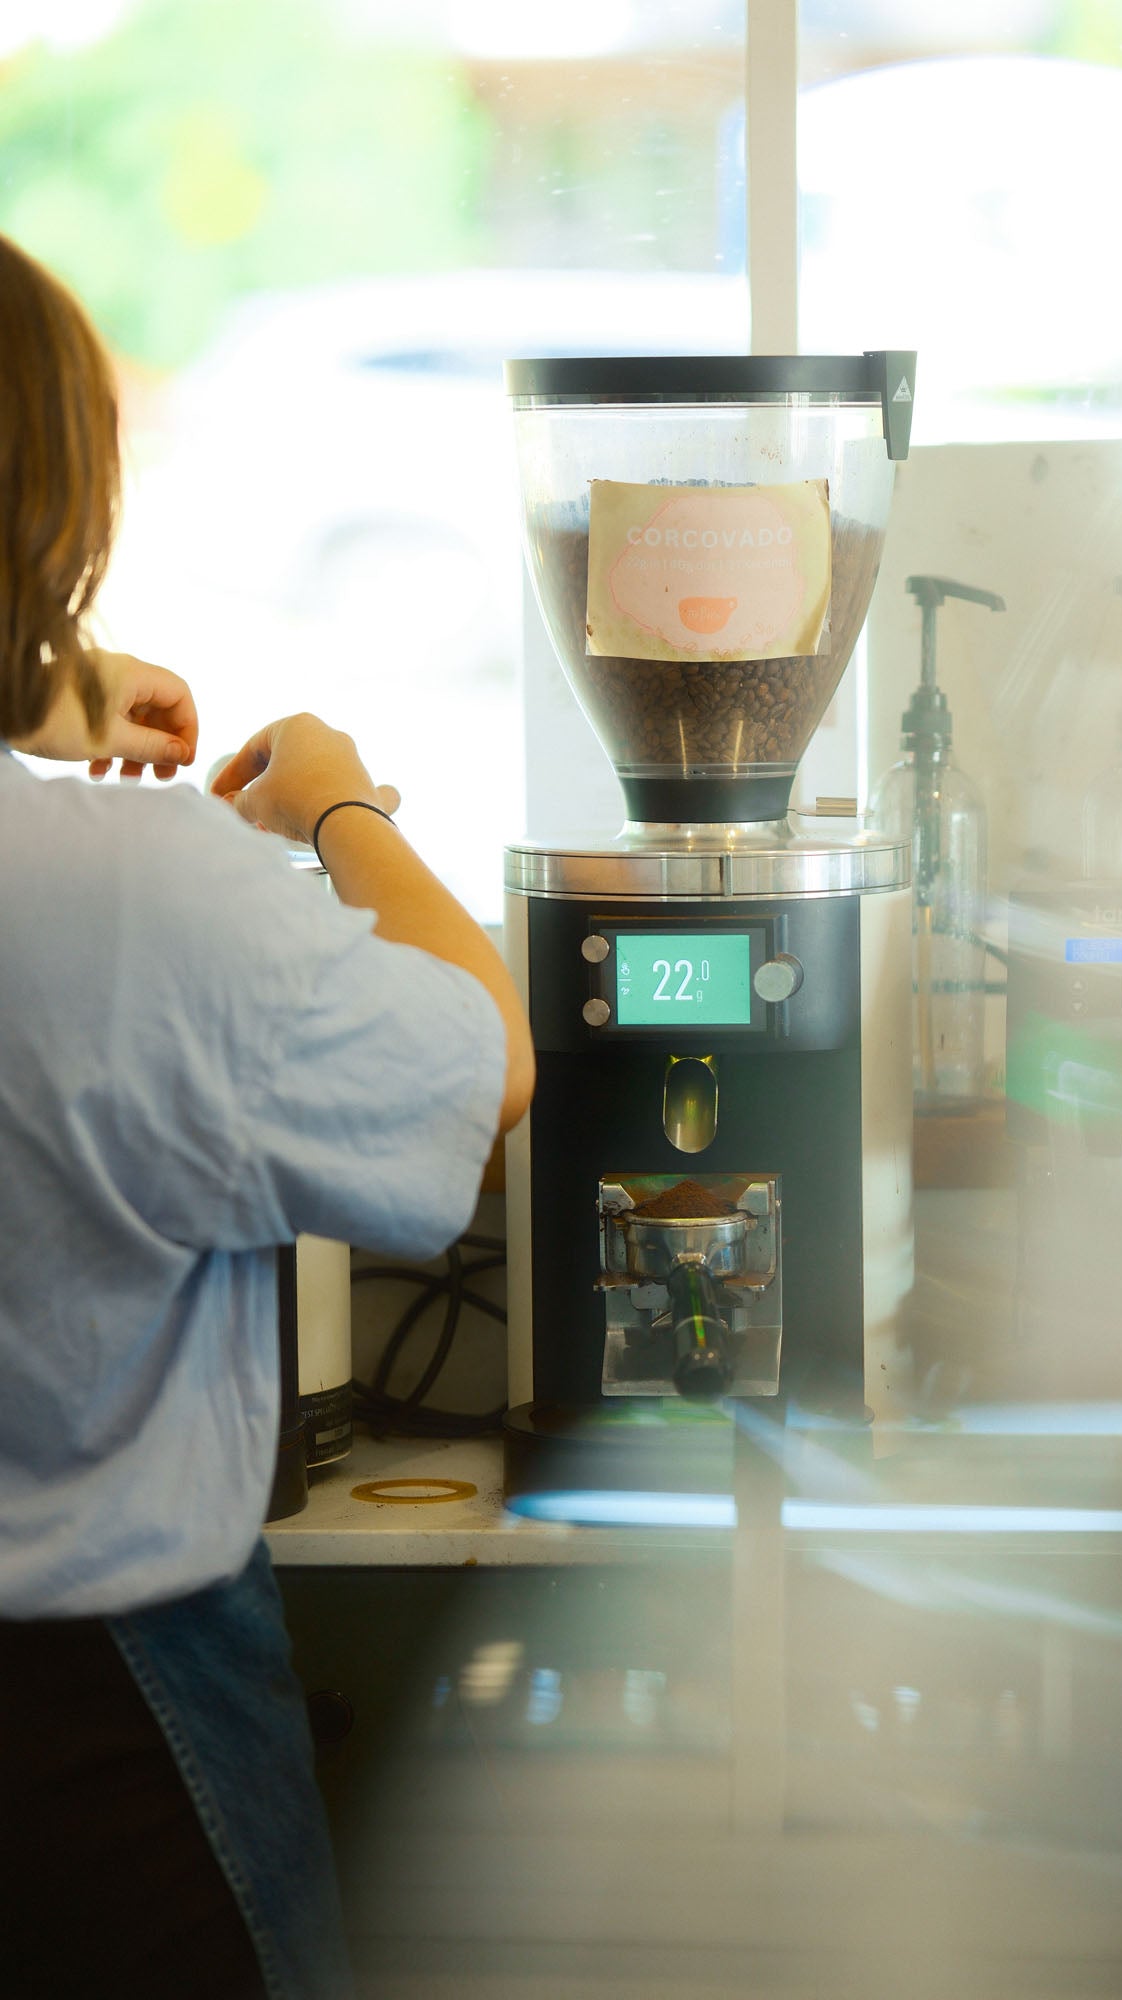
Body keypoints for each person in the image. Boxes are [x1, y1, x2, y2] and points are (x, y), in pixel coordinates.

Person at [0, 234, 534, 1998]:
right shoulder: (126, 887)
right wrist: (339, 807)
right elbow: (481, 1057)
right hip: (90, 1716)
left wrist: (52, 684)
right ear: (53, 513)